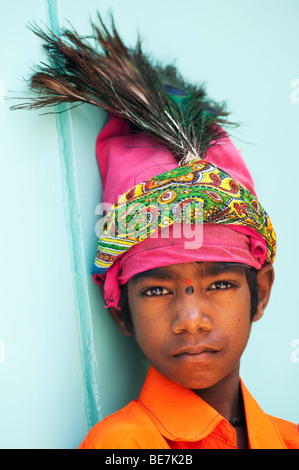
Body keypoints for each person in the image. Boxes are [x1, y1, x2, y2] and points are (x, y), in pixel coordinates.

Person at [14, 15, 299, 449]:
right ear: (119, 311)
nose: (190, 320)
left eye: (221, 283)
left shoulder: (288, 438)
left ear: (260, 289)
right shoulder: (121, 445)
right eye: (155, 291)